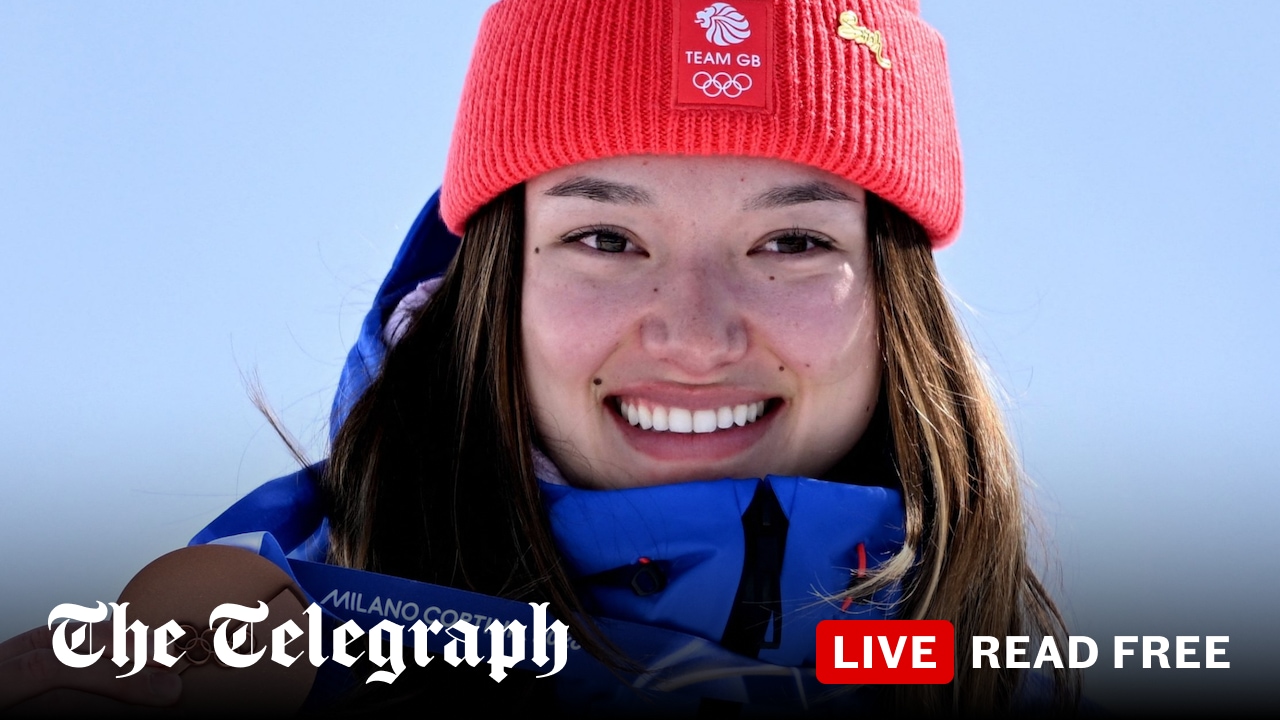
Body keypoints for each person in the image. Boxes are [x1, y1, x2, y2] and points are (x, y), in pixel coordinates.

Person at [3, 0, 1077, 714]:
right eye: (605, 240)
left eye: (790, 243)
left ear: (897, 301)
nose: (693, 333)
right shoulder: (254, 650)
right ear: (492, 291)